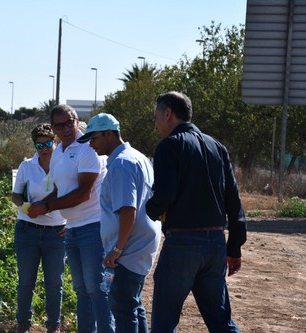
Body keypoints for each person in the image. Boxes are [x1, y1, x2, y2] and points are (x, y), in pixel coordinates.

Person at [145, 91, 247, 332]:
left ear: (168, 113)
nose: (155, 123)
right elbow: (234, 201)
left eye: (156, 116)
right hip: (215, 244)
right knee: (221, 322)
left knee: (164, 322)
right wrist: (234, 248)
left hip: (182, 244)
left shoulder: (168, 147)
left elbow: (165, 196)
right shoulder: (218, 147)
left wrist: (148, 210)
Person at [28, 105, 114, 333]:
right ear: (54, 128)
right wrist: (41, 205)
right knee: (82, 290)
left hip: (93, 226)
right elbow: (61, 190)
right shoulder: (58, 151)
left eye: (69, 122)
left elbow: (83, 193)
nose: (66, 128)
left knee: (97, 289)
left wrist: (46, 205)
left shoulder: (87, 148)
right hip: (73, 227)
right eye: (60, 125)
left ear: (77, 121)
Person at [77, 113, 161, 333]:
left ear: (109, 134)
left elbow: (128, 210)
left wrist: (117, 249)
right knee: (134, 306)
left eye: (93, 139)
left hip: (129, 249)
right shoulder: (138, 157)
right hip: (140, 244)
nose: (91, 145)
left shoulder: (122, 164)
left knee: (123, 309)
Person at [11, 124, 66, 333]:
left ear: (56, 142)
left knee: (55, 283)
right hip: (28, 230)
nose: (44, 148)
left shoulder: (64, 164)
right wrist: (25, 208)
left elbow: (71, 195)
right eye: (39, 144)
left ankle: (54, 326)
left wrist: (70, 224)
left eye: (49, 143)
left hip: (56, 232)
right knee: (26, 281)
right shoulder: (27, 166)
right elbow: (16, 195)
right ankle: (23, 324)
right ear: (34, 145)